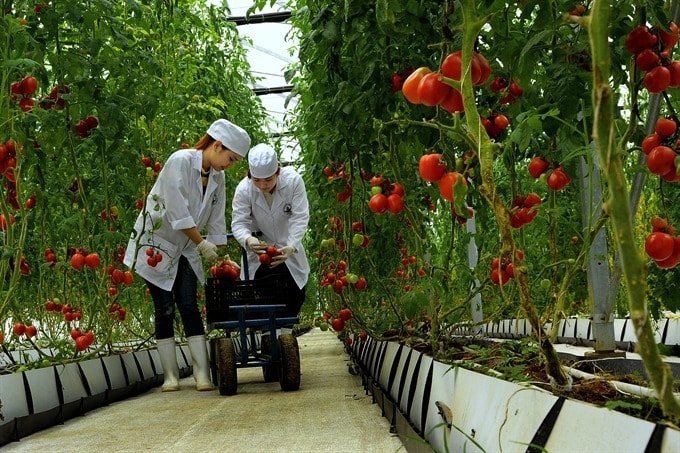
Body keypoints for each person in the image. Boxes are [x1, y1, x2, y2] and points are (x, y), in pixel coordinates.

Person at [123, 118, 250, 392]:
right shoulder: (179, 161)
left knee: (189, 305)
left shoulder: (218, 176)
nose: (231, 164)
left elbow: (216, 218)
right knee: (164, 308)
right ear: (217, 145)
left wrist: (219, 255)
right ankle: (170, 376)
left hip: (187, 246)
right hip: (158, 243)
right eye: (231, 158)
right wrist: (202, 244)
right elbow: (176, 212)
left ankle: (201, 374)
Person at [231, 144, 310, 322]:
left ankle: (285, 335)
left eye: (268, 179)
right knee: (262, 296)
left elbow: (300, 217)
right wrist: (248, 240)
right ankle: (270, 336)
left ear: (278, 172)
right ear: (250, 175)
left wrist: (291, 246)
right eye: (257, 180)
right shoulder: (244, 189)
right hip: (259, 252)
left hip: (287, 245)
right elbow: (239, 222)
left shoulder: (293, 182)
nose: (262, 185)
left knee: (295, 294)